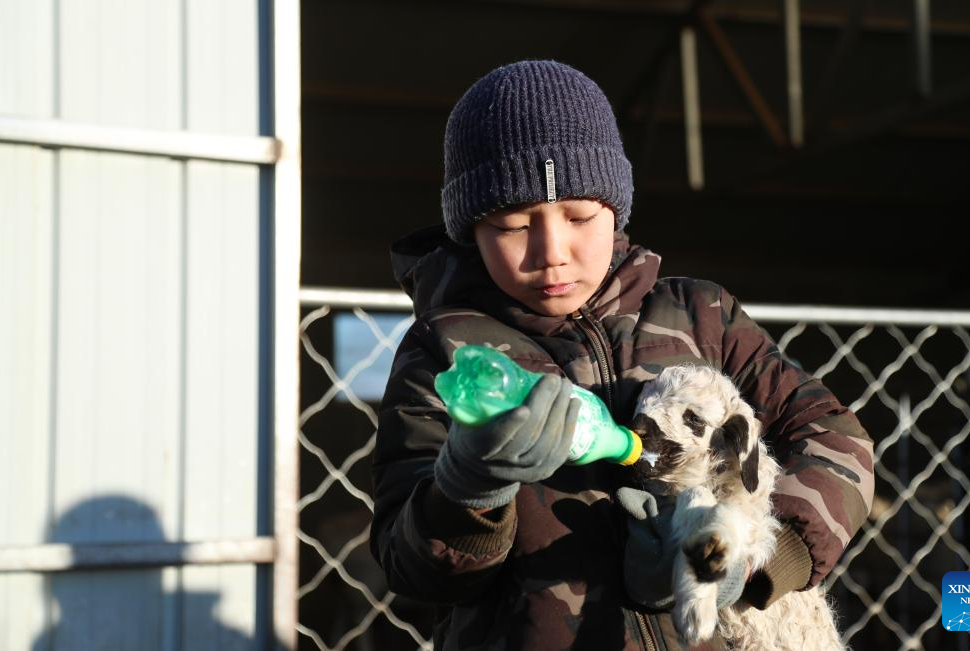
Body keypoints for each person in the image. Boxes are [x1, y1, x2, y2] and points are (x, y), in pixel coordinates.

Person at [370, 60, 874, 650]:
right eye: (513, 225)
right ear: (469, 229)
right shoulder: (448, 352)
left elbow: (836, 436)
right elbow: (410, 565)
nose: (552, 251)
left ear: (616, 208)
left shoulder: (702, 317)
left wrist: (757, 559)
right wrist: (471, 484)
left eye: (579, 217)